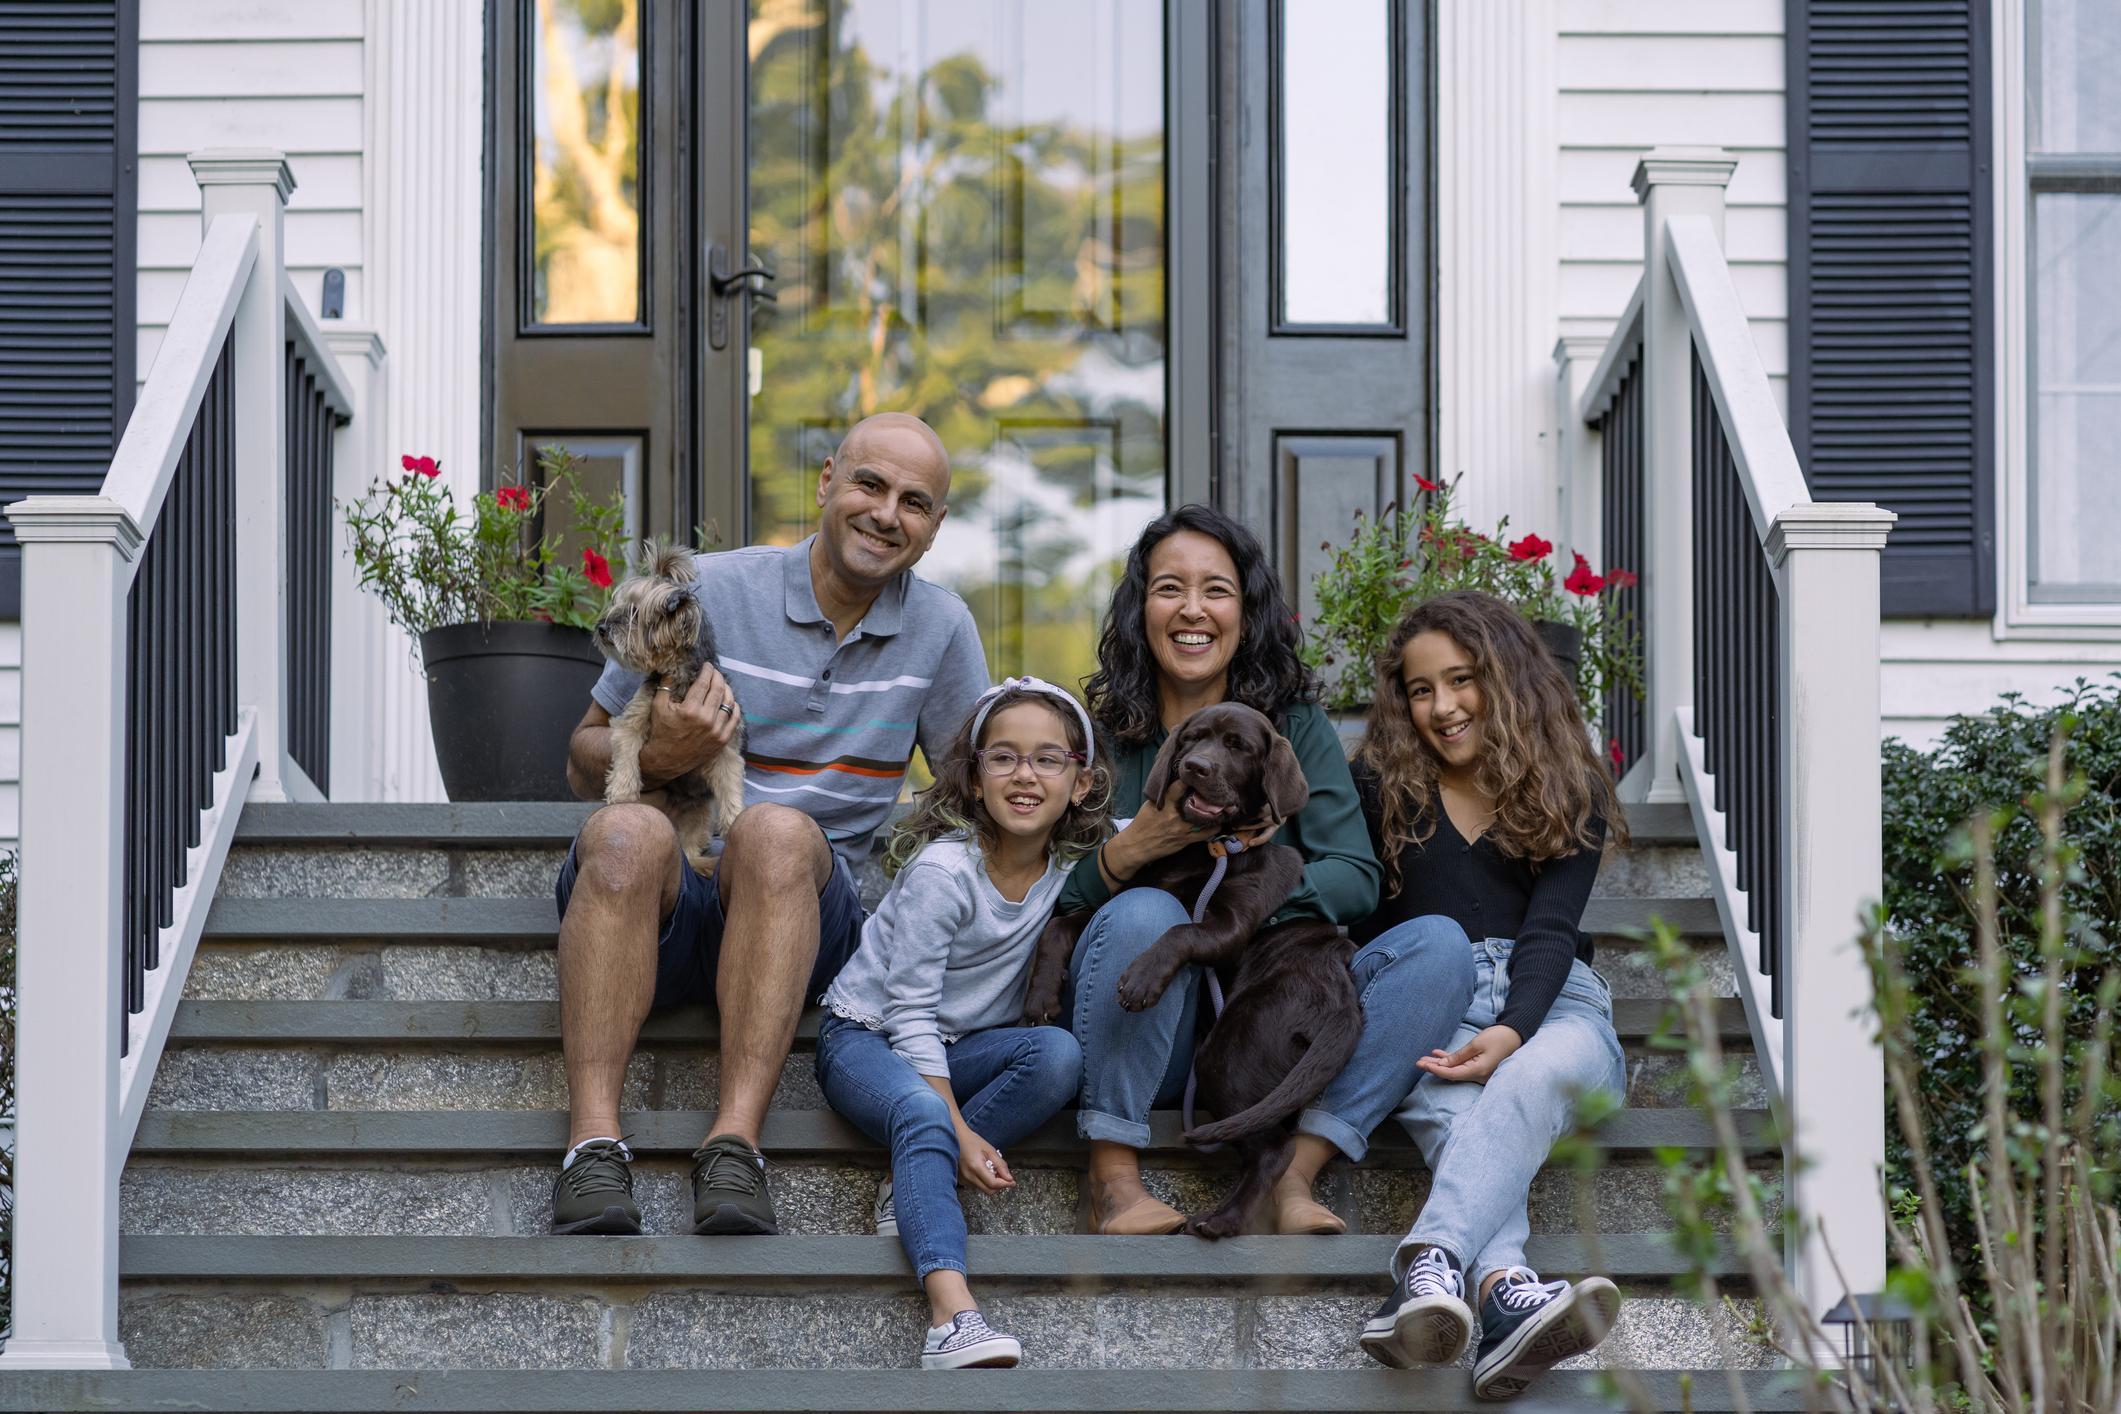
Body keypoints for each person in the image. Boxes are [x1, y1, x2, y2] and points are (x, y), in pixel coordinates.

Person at [548, 412, 988, 1238]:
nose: (886, 513)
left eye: (914, 502)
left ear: (933, 529)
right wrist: (668, 755)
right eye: (868, 484)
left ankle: (734, 1147)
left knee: (776, 832)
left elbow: (974, 792)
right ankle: (593, 1146)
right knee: (622, 832)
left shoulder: (941, 628)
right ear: (826, 483)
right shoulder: (709, 589)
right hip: (668, 897)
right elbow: (580, 759)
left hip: (800, 920)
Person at [1058, 503, 1475, 1238]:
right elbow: (1044, 897)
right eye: (1168, 589)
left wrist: (1240, 892)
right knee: (1145, 914)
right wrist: (1130, 854)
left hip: (1275, 1021)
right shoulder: (1097, 735)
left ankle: (1293, 1170)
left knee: (1437, 945)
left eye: (1216, 589)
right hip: (1150, 1019)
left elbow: (1353, 877)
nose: (1193, 610)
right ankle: (1115, 1179)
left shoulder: (1293, 727)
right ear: (1138, 608)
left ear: (1246, 614)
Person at [1348, 590, 1630, 1400]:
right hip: (1434, 997)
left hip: (1557, 1004)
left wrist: (1509, 1031)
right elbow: (1370, 923)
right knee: (1449, 1107)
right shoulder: (1378, 784)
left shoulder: (1567, 781)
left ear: (1503, 677)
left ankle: (1424, 1264)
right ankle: (1504, 1294)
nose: (1441, 707)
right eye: (1420, 689)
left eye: (1461, 680)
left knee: (1530, 1078)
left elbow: (1548, 933)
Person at [815, 678, 1104, 1369]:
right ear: (974, 780)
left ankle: (909, 1182)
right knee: (921, 1111)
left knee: (1058, 1055)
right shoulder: (945, 872)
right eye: (1002, 758)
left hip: (966, 1046)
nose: (1025, 775)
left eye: (1047, 759)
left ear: (1081, 782)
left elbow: (1151, 834)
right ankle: (951, 1317)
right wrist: (963, 1132)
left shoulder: (1073, 869)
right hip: (867, 1038)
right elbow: (907, 1017)